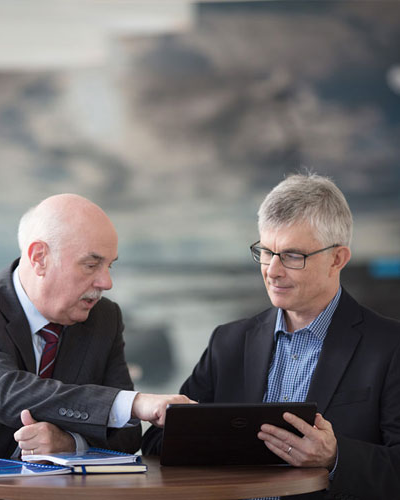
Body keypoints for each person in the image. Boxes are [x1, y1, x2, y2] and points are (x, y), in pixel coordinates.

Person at [0, 194, 192, 500]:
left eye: (110, 266)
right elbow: (7, 392)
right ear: (39, 258)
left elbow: (126, 437)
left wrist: (70, 443)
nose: (106, 282)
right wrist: (135, 403)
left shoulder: (104, 319)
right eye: (91, 264)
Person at [142, 173, 400, 499]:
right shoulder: (228, 343)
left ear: (338, 259)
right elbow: (154, 443)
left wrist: (336, 458)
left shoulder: (391, 347)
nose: (272, 271)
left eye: (293, 256)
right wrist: (220, 439)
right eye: (266, 251)